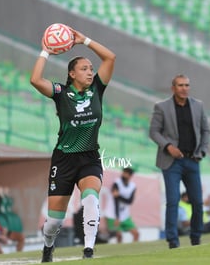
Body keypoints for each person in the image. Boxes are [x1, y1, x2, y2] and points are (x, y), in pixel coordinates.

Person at [30, 25, 116, 262]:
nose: (90, 72)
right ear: (72, 74)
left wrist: (84, 40)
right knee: (54, 222)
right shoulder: (60, 92)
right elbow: (35, 79)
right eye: (84, 69)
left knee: (90, 197)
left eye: (91, 69)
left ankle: (88, 249)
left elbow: (110, 57)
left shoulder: (97, 89)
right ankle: (48, 246)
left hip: (89, 156)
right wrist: (45, 52)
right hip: (64, 159)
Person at [149, 74, 210, 248]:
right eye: (180, 85)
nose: (184, 88)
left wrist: (203, 151)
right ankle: (173, 241)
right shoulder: (162, 107)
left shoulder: (198, 106)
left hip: (193, 160)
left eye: (187, 85)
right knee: (173, 201)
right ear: (173, 88)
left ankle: (196, 237)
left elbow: (206, 130)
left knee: (197, 202)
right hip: (171, 161)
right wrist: (168, 147)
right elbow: (154, 132)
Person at [106, 167, 139, 243]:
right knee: (119, 235)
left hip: (125, 215)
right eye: (123, 173)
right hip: (113, 215)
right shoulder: (116, 183)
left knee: (136, 234)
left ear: (130, 176)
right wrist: (117, 217)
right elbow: (116, 201)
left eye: (126, 174)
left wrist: (119, 196)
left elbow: (130, 201)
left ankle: (133, 252)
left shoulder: (132, 186)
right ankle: (118, 252)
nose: (123, 175)